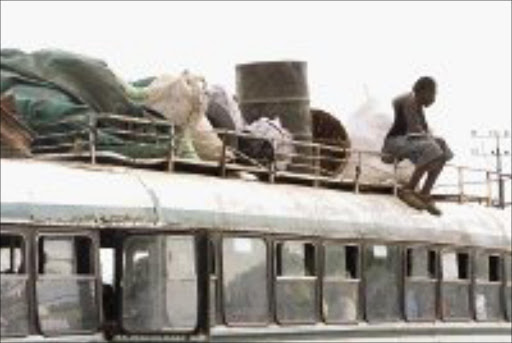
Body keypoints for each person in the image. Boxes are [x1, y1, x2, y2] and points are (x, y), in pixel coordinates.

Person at [382, 76, 453, 215]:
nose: (434, 98)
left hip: (408, 141)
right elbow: (415, 132)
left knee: (442, 147)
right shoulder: (410, 101)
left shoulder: (419, 107)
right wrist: (432, 141)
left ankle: (425, 193)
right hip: (394, 142)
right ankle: (408, 189)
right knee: (432, 147)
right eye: (432, 93)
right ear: (422, 91)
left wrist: (438, 143)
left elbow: (424, 132)